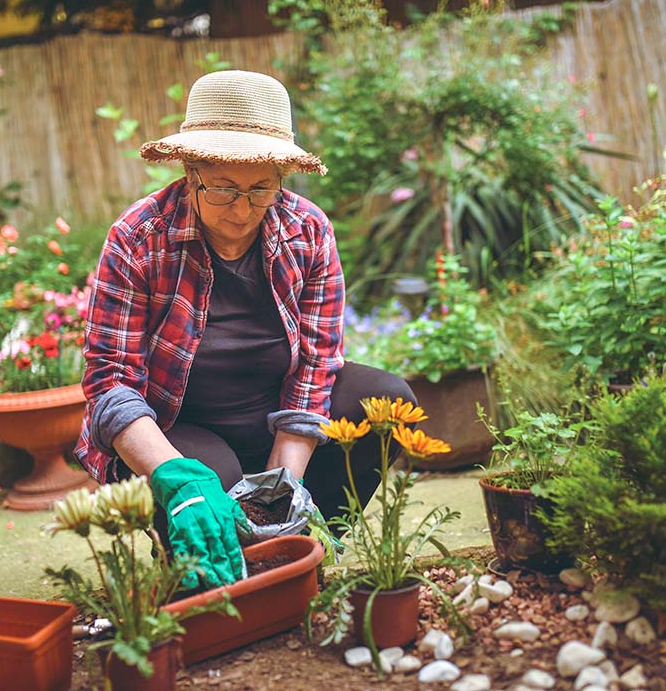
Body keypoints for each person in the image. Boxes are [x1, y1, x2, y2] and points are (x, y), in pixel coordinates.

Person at [74, 70, 416, 590]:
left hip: (274, 419)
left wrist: (284, 488)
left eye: (262, 190)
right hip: (177, 427)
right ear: (191, 173)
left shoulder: (308, 231)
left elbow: (317, 362)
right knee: (210, 487)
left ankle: (297, 547)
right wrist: (176, 478)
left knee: (385, 399)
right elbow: (109, 382)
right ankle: (207, 547)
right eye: (225, 189)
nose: (243, 210)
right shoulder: (139, 237)